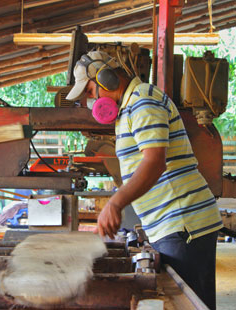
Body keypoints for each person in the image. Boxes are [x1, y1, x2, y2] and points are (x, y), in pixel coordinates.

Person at [66, 50, 223, 310]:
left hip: (184, 225)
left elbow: (154, 162)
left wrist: (115, 203)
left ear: (107, 79)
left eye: (91, 92)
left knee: (190, 305)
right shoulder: (130, 107)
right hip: (173, 225)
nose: (90, 102)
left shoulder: (143, 101)